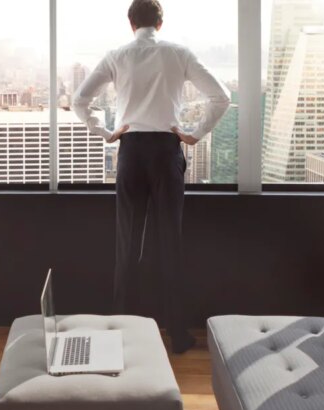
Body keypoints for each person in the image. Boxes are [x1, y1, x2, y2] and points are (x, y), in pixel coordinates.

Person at [72, 0, 230, 354]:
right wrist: (194, 133)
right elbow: (221, 97)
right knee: (169, 242)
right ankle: (177, 334)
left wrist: (106, 133)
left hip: (130, 151)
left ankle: (119, 333)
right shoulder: (179, 53)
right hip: (166, 151)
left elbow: (80, 100)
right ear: (161, 23)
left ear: (131, 24)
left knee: (127, 244)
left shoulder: (117, 55)